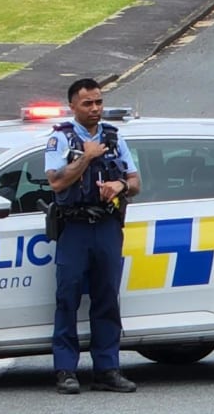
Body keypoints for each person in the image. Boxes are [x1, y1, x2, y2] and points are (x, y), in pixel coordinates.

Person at [45, 78, 141, 395]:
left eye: (98, 102)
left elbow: (136, 181)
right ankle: (66, 370)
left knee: (106, 298)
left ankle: (107, 369)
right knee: (67, 298)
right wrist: (85, 157)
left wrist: (120, 186)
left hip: (107, 227)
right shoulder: (61, 139)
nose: (95, 108)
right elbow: (57, 183)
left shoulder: (114, 138)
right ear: (73, 106)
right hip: (74, 228)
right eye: (88, 103)